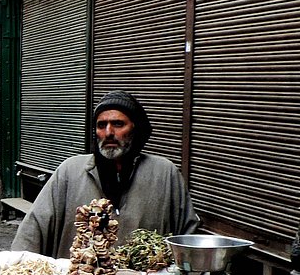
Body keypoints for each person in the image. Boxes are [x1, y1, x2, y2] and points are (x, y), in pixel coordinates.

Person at [11, 89, 199, 258]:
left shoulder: (164, 174)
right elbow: (33, 229)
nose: (109, 132)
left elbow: (188, 237)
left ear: (136, 129)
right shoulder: (70, 171)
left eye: (118, 124)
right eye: (101, 125)